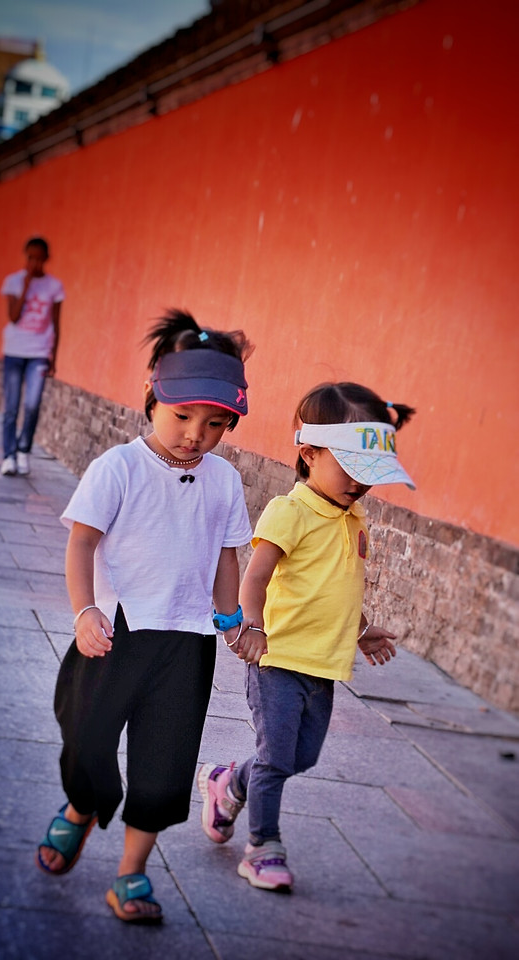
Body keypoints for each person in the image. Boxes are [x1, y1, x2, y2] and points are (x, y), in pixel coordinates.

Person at [36, 309, 255, 924]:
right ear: (153, 399)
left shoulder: (225, 481)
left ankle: (129, 875)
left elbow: (224, 554)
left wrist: (232, 618)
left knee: (163, 770)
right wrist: (84, 611)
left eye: (215, 424)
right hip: (114, 634)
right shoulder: (119, 468)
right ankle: (81, 809)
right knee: (87, 744)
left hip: (185, 644)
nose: (195, 434)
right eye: (183, 416)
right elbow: (81, 544)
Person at [198, 381, 416, 892]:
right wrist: (248, 626)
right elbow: (255, 576)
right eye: (350, 468)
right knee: (276, 757)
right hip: (277, 657)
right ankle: (263, 848)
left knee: (300, 757)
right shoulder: (288, 511)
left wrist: (361, 630)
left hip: (325, 664)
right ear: (310, 452)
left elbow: (338, 587)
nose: (360, 485)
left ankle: (228, 783)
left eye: (369, 475)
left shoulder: (354, 516)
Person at [0, 236, 64, 476]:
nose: (34, 263)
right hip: (14, 352)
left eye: (39, 258)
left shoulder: (54, 286)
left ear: (46, 259)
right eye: (30, 258)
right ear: (25, 256)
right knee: (12, 407)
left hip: (39, 353)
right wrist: (26, 286)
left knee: (33, 404)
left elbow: (57, 324)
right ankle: (8, 456)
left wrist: (53, 358)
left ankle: (24, 449)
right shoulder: (13, 282)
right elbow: (13, 317)